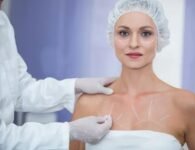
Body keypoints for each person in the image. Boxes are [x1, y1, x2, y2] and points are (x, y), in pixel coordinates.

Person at [70, 0, 195, 149]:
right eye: (124, 33)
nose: (134, 43)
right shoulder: (88, 104)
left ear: (159, 38)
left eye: (145, 33)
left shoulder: (186, 104)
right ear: (112, 37)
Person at [0, 1, 114, 150]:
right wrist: (69, 132)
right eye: (123, 33)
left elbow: (20, 89)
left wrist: (75, 86)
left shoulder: (2, 23)